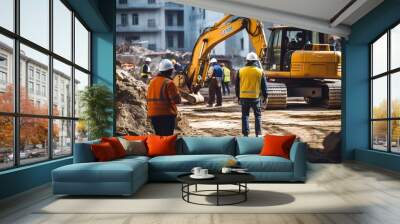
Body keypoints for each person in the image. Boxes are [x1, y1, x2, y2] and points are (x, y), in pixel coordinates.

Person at [235, 52, 268, 137]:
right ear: (256, 61)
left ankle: (245, 134)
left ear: (247, 60)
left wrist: (238, 97)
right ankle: (259, 134)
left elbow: (237, 86)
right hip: (255, 98)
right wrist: (265, 96)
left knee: (245, 115)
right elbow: (264, 86)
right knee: (258, 116)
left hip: (244, 98)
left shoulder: (240, 71)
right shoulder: (260, 71)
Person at [147, 59, 182, 136]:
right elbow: (177, 100)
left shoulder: (152, 82)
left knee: (159, 138)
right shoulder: (169, 83)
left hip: (153, 114)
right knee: (167, 138)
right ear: (170, 71)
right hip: (166, 115)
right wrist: (178, 93)